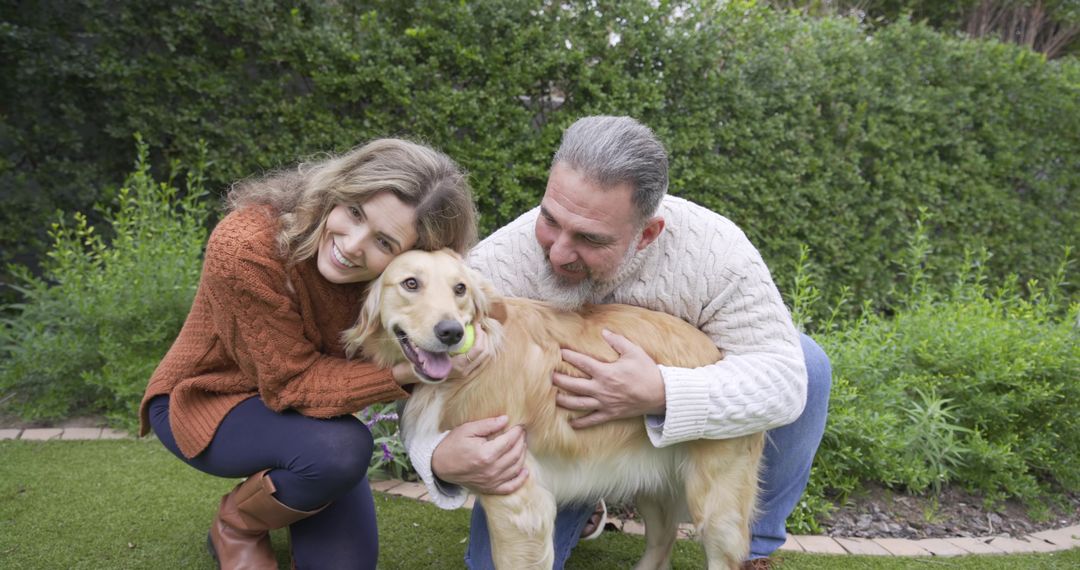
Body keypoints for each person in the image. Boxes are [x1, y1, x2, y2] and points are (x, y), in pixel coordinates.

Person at [406, 116, 831, 570]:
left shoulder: (719, 254)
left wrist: (661, 392)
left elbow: (786, 380)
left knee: (807, 360)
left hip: (685, 400)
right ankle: (585, 500)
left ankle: (754, 552)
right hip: (563, 437)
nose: (558, 252)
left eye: (589, 238)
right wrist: (436, 458)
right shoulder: (499, 263)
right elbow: (427, 375)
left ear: (646, 234)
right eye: (549, 220)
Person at [138, 138, 478, 570]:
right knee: (342, 448)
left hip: (312, 419)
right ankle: (237, 524)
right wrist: (406, 372)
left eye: (385, 242)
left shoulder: (399, 284)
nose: (353, 245)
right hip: (207, 399)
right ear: (337, 190)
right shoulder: (246, 246)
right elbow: (290, 382)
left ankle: (293, 482)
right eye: (354, 212)